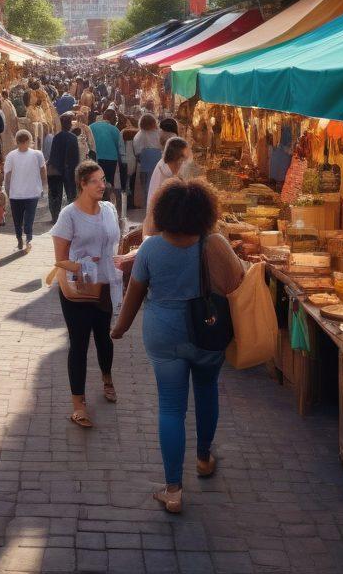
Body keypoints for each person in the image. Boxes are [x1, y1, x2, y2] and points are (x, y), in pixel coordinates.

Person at [111, 179, 245, 514]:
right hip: (208, 333)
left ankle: (173, 490)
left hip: (164, 334)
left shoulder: (151, 248)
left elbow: (134, 296)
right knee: (207, 390)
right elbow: (236, 280)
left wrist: (120, 329)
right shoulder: (214, 242)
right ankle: (203, 458)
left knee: (171, 409)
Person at [51, 160, 121, 428]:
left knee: (105, 338)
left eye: (103, 180)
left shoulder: (110, 210)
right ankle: (78, 404)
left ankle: (107, 377)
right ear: (83, 184)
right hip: (77, 289)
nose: (102, 185)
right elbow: (60, 259)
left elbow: (114, 243)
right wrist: (83, 264)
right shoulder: (69, 215)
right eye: (96, 181)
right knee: (79, 343)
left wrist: (122, 258)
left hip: (105, 285)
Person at [4, 129, 47, 252]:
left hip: (15, 194)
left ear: (16, 141)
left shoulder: (11, 155)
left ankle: (20, 240)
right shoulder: (37, 154)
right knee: (29, 218)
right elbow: (43, 171)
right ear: (29, 141)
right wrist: (43, 186)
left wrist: (7, 191)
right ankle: (28, 239)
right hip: (32, 193)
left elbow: (7, 175)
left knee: (17, 220)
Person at [141, 138, 191, 237]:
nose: (185, 162)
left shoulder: (165, 165)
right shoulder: (165, 173)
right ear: (179, 159)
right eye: (184, 158)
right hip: (159, 226)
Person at [47, 112, 81, 223]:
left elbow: (53, 154)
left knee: (55, 195)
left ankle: (54, 217)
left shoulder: (56, 137)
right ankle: (71, 217)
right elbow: (76, 156)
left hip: (56, 169)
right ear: (70, 125)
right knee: (71, 194)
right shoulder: (73, 138)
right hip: (69, 170)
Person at [88, 108, 123, 194]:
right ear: (113, 119)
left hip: (96, 159)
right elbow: (120, 147)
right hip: (111, 159)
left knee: (96, 181)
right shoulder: (115, 130)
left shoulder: (91, 127)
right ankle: (107, 201)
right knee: (109, 182)